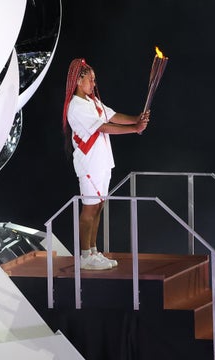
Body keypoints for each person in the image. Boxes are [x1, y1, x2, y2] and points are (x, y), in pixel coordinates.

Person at [62, 58, 150, 270]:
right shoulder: (76, 106)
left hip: (102, 163)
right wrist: (134, 128)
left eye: (94, 80)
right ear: (78, 80)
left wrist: (136, 119)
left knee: (99, 206)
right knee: (89, 208)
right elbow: (103, 127)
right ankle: (84, 256)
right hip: (89, 164)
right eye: (90, 80)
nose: (94, 84)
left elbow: (112, 116)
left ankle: (93, 251)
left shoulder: (93, 102)